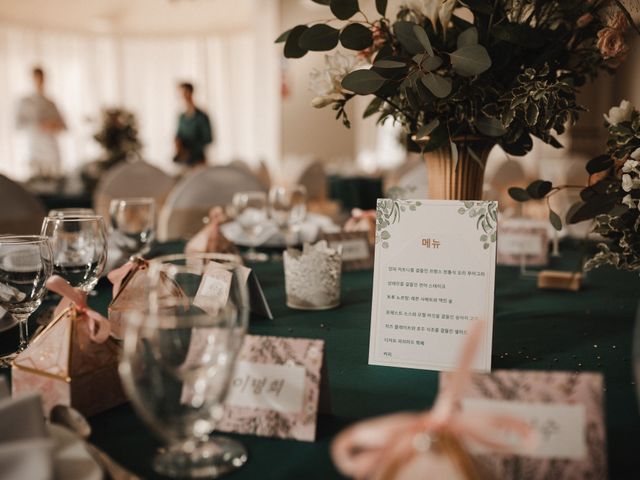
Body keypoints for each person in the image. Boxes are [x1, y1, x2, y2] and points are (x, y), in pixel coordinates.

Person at [15, 66, 66, 178]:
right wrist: (39, 126)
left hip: (51, 150)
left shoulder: (51, 103)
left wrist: (53, 126)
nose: (39, 82)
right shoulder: (25, 102)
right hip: (35, 150)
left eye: (41, 79)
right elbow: (18, 125)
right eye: (36, 78)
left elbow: (64, 126)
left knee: (55, 180)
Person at [174, 82, 213, 167]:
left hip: (198, 161)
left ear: (190, 93)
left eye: (183, 93)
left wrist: (191, 150)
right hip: (184, 161)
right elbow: (179, 135)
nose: (181, 97)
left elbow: (208, 139)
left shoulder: (202, 117)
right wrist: (177, 144)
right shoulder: (182, 117)